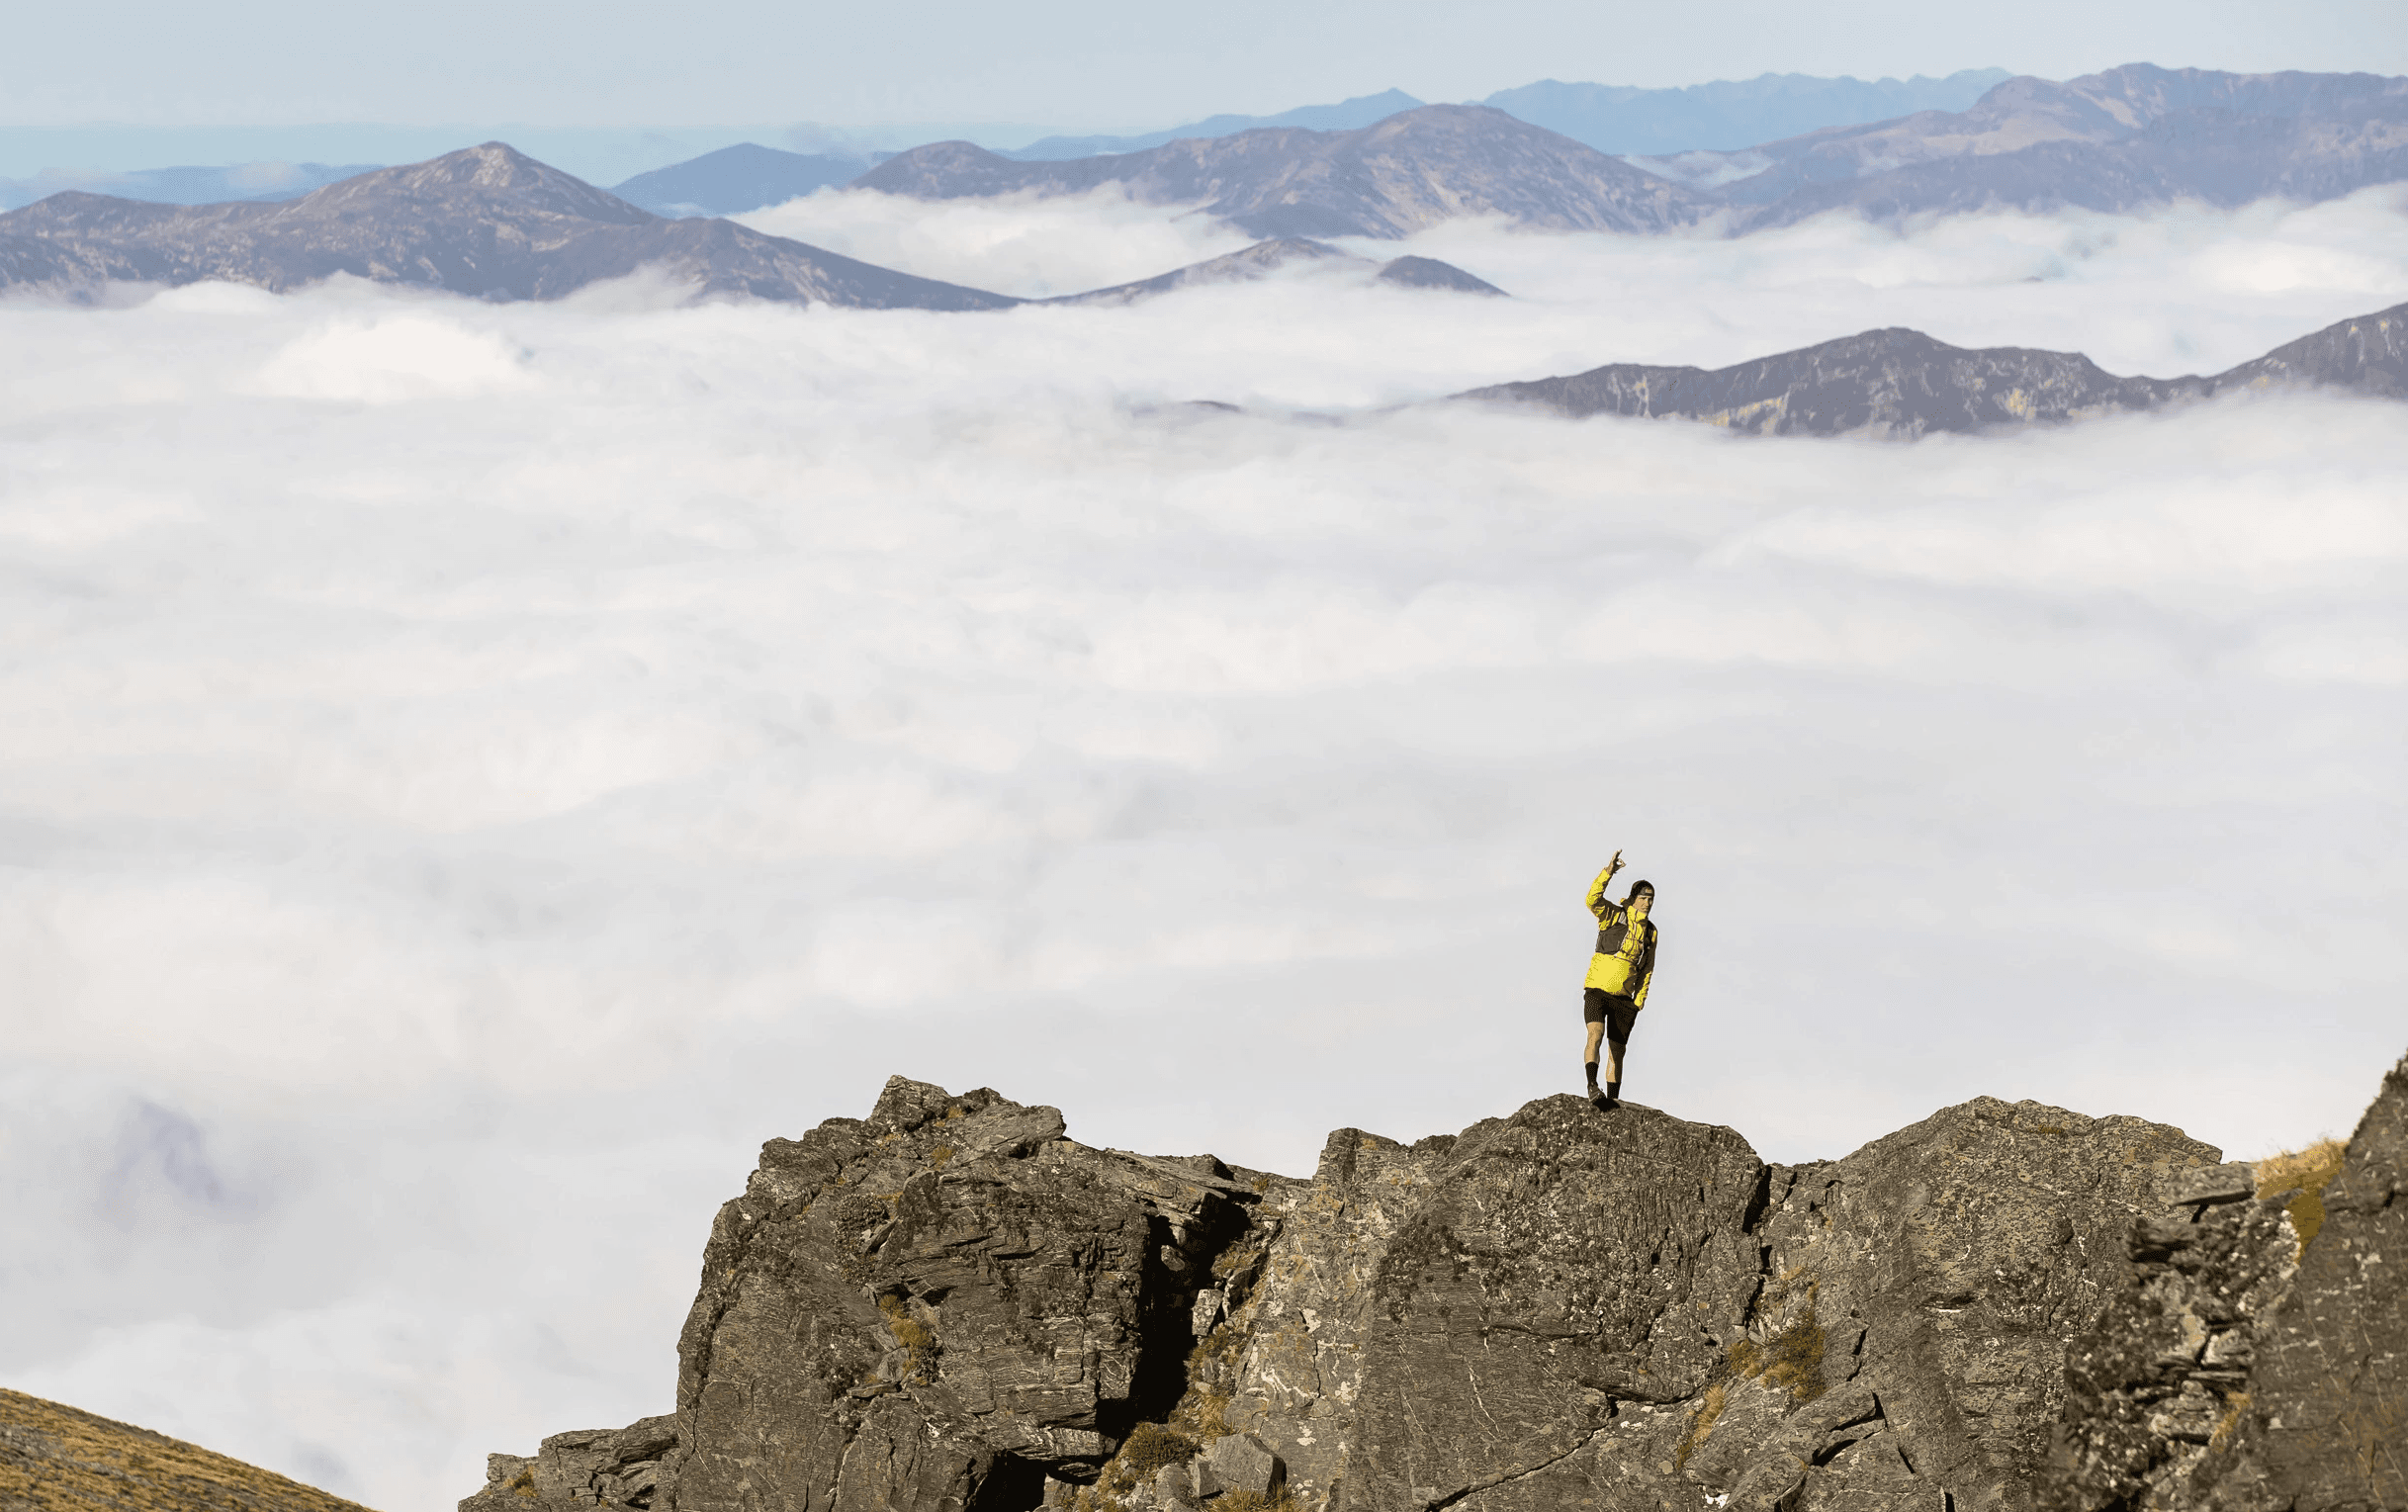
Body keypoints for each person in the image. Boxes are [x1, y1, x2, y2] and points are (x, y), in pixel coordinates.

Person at [1581, 850, 1656, 1109]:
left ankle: (1612, 1102)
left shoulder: (1651, 931)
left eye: (1651, 899)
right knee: (1596, 1034)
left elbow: (1647, 967)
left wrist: (1639, 1000)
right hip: (1598, 989)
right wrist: (1608, 872)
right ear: (1634, 898)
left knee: (1618, 1052)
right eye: (1644, 898)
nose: (1648, 903)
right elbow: (1592, 900)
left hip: (1625, 999)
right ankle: (1592, 1086)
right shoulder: (1614, 914)